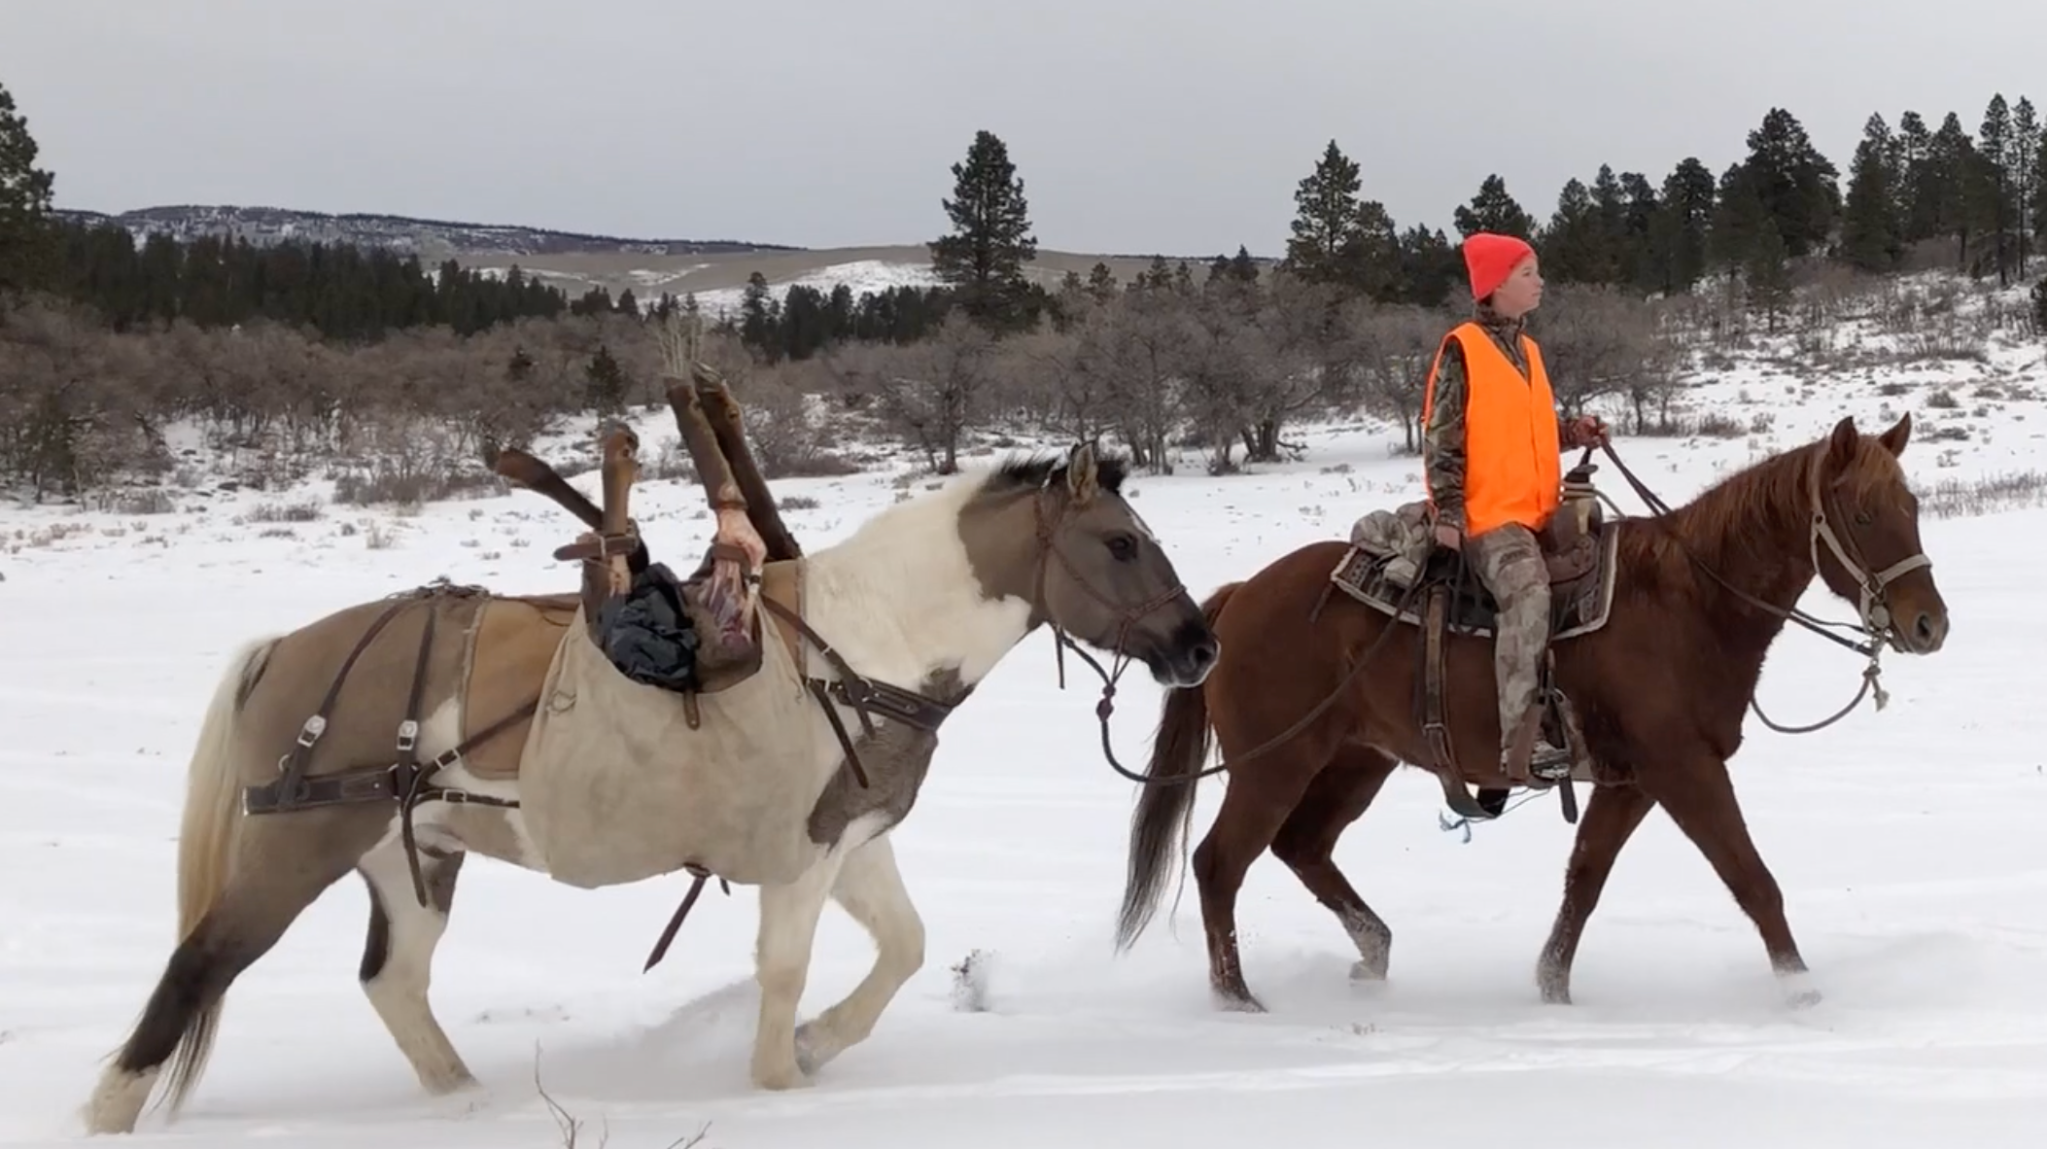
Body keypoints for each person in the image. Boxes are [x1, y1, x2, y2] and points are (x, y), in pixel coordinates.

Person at [1419, 232, 1608, 781]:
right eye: (1528, 272)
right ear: (1496, 285)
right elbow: (1443, 439)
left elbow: (1527, 431)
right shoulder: (1462, 348)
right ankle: (1521, 741)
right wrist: (1450, 513)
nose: (1539, 281)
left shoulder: (1529, 351)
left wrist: (1572, 432)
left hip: (1542, 511)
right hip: (1491, 519)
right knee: (1528, 595)